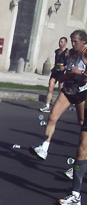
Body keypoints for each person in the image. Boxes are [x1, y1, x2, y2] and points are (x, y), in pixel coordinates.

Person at [31, 30, 87, 160]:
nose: (73, 44)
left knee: (82, 122)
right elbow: (68, 70)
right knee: (52, 117)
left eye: (75, 41)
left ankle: (82, 155)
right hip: (68, 90)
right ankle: (44, 147)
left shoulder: (85, 54)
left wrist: (79, 73)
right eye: (71, 40)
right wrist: (64, 75)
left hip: (82, 92)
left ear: (83, 42)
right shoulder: (70, 53)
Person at [41, 37, 69, 113]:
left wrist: (65, 67)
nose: (60, 43)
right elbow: (57, 61)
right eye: (59, 42)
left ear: (65, 43)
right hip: (55, 71)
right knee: (50, 87)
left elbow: (70, 63)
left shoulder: (67, 52)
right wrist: (54, 67)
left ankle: (60, 106)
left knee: (60, 89)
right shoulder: (56, 51)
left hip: (62, 73)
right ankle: (47, 105)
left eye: (62, 42)